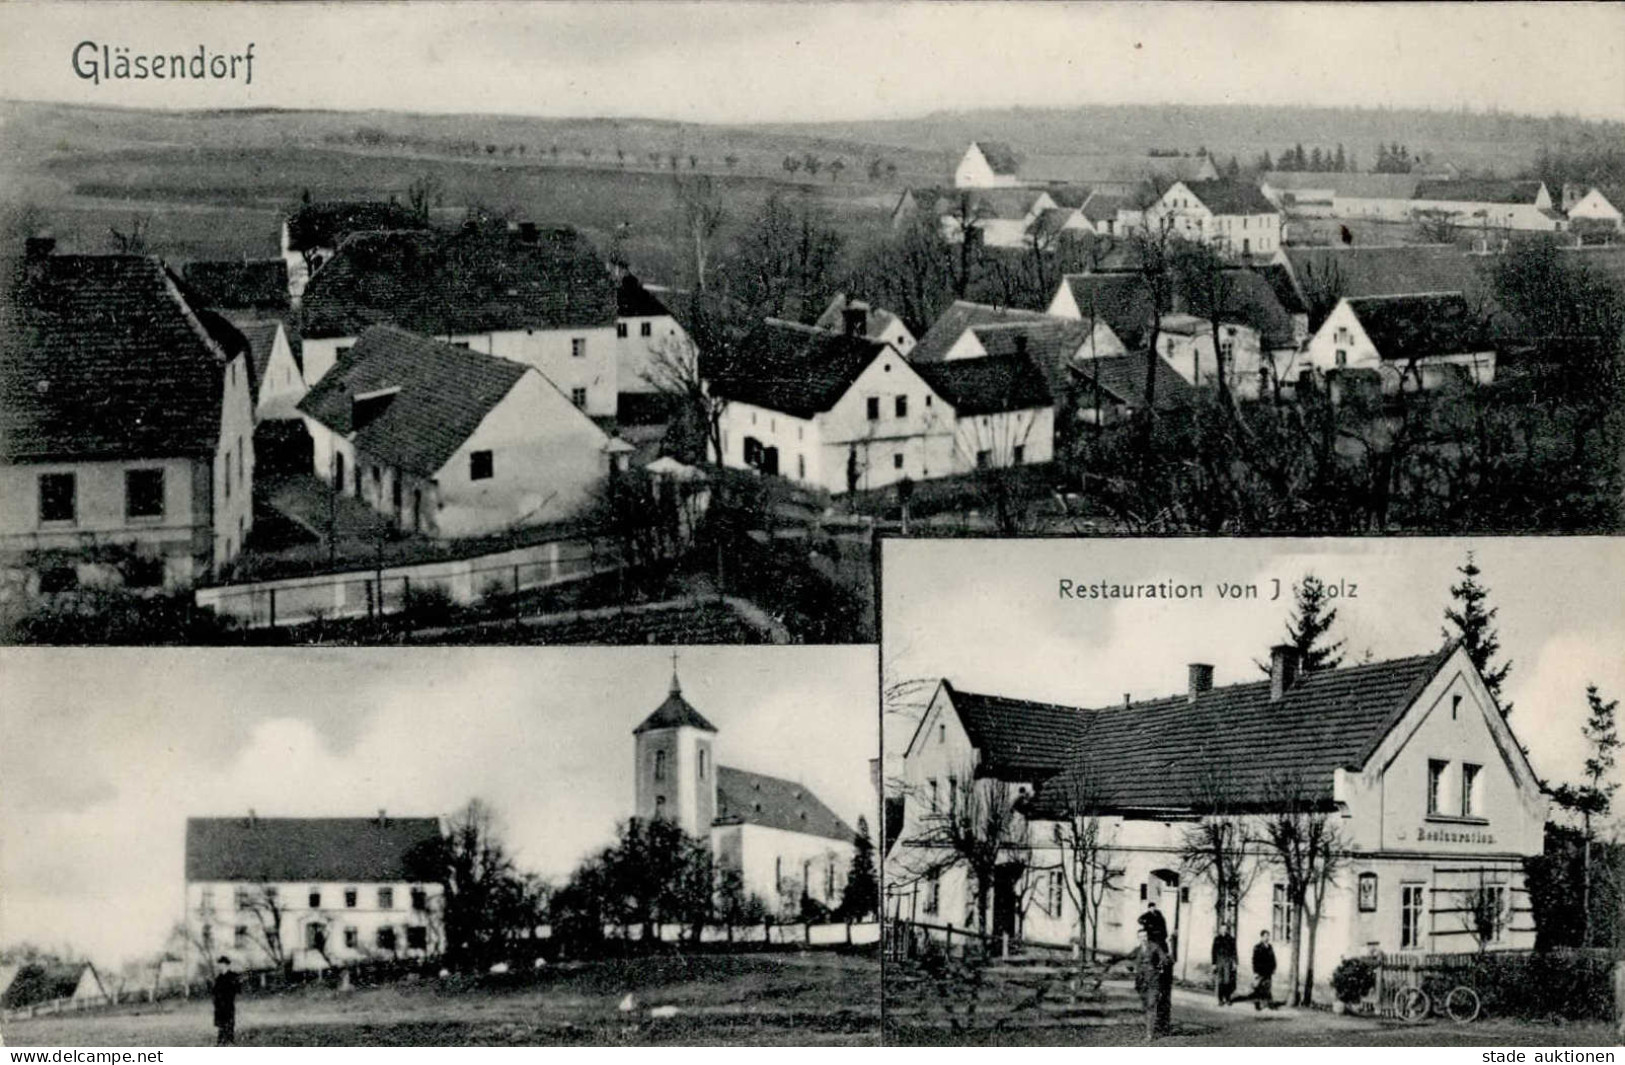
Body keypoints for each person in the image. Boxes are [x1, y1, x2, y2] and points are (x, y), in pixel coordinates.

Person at [1133, 928, 1174, 1041]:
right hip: (1141, 983)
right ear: (1138, 938)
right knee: (1145, 1006)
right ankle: (1149, 1030)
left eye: (1145, 936)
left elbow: (1164, 958)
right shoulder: (1137, 950)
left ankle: (1149, 1034)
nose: (1143, 939)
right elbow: (1127, 957)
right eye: (1141, 937)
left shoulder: (1155, 947)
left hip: (1153, 982)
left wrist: (1161, 964)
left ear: (1148, 937)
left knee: (1151, 1006)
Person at [212, 956, 241, 1046]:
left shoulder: (233, 976)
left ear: (227, 965)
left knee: (229, 1023)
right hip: (219, 1005)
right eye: (219, 965)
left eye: (222, 965)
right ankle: (221, 1041)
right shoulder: (218, 978)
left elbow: (238, 990)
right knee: (221, 1024)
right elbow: (214, 992)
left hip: (228, 1004)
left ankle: (229, 1041)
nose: (220, 967)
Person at [1251, 930, 1277, 1011]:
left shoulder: (1270, 947)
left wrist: (1274, 968)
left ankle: (1269, 1004)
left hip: (1268, 971)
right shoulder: (1257, 947)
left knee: (1268, 988)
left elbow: (1273, 958)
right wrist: (1255, 972)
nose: (1267, 938)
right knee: (1258, 988)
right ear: (1261, 937)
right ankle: (1257, 1004)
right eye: (1265, 936)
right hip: (1260, 971)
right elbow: (1254, 960)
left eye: (1268, 936)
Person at [1212, 929, 1238, 1006]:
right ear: (1220, 929)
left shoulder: (1231, 939)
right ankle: (1220, 999)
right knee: (1220, 981)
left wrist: (1235, 962)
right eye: (1222, 929)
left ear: (1227, 930)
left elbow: (1234, 951)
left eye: (1225, 929)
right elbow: (1213, 951)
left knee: (1227, 981)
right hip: (1219, 961)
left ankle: (1227, 998)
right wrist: (1213, 963)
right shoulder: (1217, 939)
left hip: (1228, 961)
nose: (1223, 930)